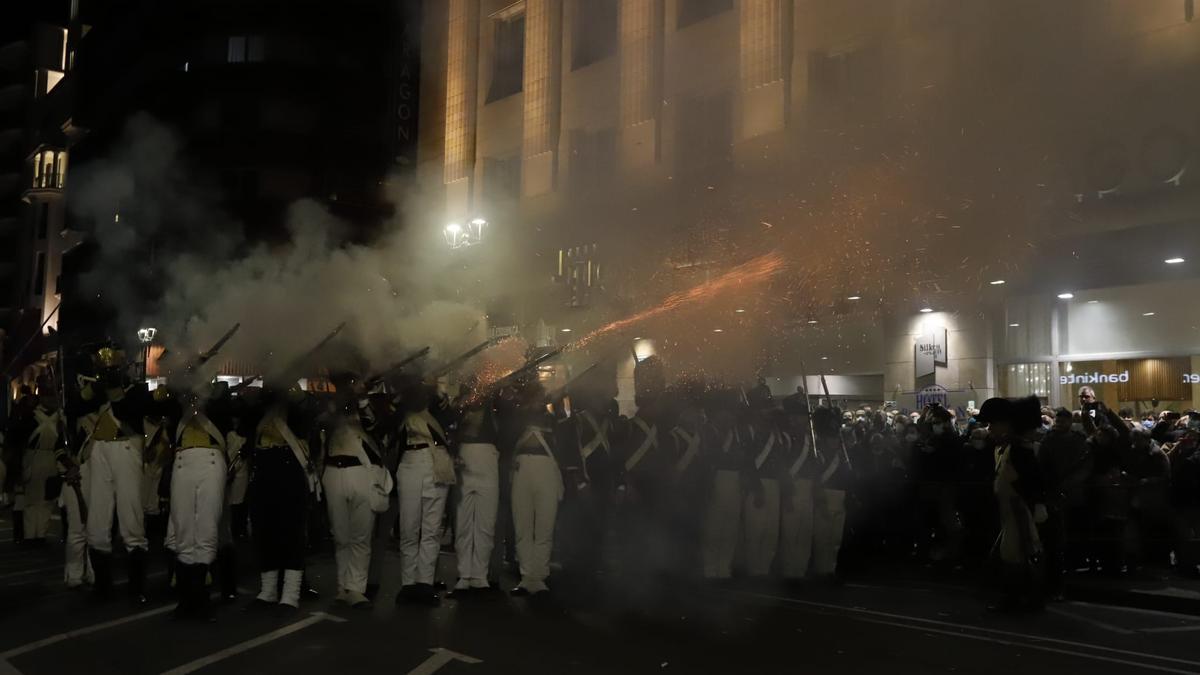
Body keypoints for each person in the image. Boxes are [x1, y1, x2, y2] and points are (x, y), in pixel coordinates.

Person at [80, 346, 152, 605]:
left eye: (112, 369)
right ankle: (102, 587)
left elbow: (128, 414)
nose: (108, 373)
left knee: (131, 517)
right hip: (99, 450)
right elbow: (74, 408)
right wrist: (96, 388)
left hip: (126, 446)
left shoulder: (138, 392)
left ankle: (136, 588)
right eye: (104, 369)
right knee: (97, 521)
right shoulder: (97, 393)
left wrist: (114, 390)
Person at [248, 388, 316, 610]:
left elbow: (307, 414)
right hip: (264, 468)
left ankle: (291, 593)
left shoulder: (297, 404)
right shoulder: (261, 407)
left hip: (289, 468)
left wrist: (292, 395)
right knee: (265, 531)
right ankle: (268, 591)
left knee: (291, 532)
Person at [977, 396, 1047, 612]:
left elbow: (1028, 482)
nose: (990, 429)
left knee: (1015, 555)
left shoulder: (1019, 450)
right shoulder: (1011, 448)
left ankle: (1018, 599)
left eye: (992, 424)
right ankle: (1022, 598)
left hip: (1019, 511)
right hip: (1012, 510)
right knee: (1014, 554)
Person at [169, 386, 230, 620]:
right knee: (183, 529)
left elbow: (223, 412)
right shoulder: (179, 397)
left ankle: (202, 599)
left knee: (206, 529)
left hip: (211, 459)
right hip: (183, 458)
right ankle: (186, 599)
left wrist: (201, 392)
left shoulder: (217, 394)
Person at [505, 379, 567, 597]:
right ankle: (526, 576)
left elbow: (565, 436)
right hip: (522, 469)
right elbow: (509, 434)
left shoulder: (553, 418)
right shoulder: (519, 417)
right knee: (522, 525)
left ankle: (539, 576)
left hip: (547, 468)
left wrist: (559, 405)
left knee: (544, 526)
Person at [395, 380, 452, 606]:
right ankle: (408, 583)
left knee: (431, 529)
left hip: (435, 461)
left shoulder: (437, 401)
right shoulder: (400, 405)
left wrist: (434, 388)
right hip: (409, 462)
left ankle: (424, 583)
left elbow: (449, 416)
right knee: (409, 528)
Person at [323, 393, 382, 609]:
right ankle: (343, 586)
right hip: (333, 470)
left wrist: (362, 400)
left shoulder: (371, 403)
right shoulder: (331, 405)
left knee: (361, 536)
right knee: (340, 535)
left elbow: (376, 426)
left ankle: (356, 588)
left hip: (361, 471)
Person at [450, 383, 501, 595]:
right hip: (465, 458)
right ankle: (464, 574)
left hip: (488, 460)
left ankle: (480, 575)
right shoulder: (459, 406)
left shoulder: (495, 405)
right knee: (463, 524)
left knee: (485, 524)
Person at [1037, 408, 1090, 599]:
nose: (1058, 425)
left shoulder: (1075, 439)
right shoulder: (1050, 440)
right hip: (1059, 492)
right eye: (1057, 422)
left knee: (1069, 534)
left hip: (1070, 492)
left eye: (1062, 422)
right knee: (1058, 539)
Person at [700, 393, 746, 581]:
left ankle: (724, 568)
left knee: (730, 528)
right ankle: (710, 568)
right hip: (715, 479)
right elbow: (706, 458)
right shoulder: (707, 431)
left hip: (734, 481)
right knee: (713, 528)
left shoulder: (737, 433)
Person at [21, 381, 65, 545]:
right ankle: (33, 535)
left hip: (46, 458)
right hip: (37, 458)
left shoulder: (56, 417)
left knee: (44, 500)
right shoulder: (33, 416)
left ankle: (37, 535)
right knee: (36, 500)